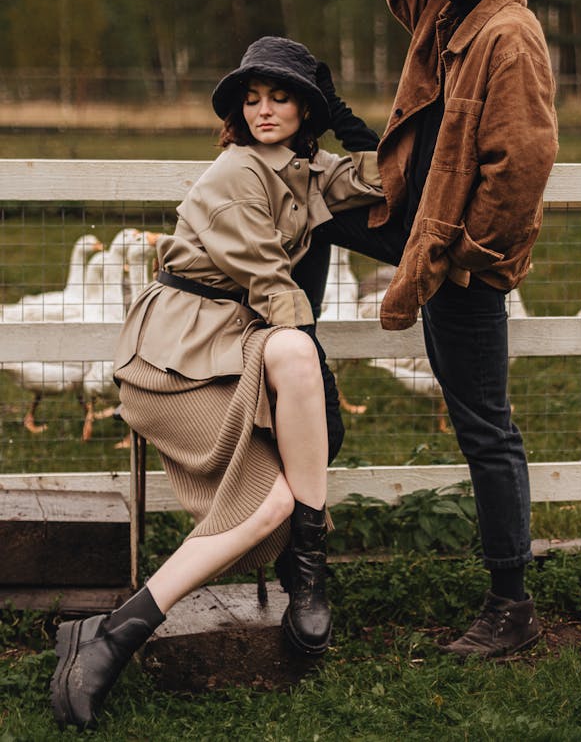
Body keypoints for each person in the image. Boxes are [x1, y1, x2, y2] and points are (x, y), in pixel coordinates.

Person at [49, 36, 383, 730]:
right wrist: (314, 391)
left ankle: (110, 634)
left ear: (304, 107)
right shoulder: (235, 175)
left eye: (281, 95)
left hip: (233, 346)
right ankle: (307, 568)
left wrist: (343, 114)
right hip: (171, 358)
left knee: (275, 503)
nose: (263, 109)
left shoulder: (306, 167)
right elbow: (272, 286)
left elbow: (388, 174)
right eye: (252, 98)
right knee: (295, 356)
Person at [303, 0, 558, 658]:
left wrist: (460, 260)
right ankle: (299, 364)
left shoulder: (508, 37)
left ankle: (511, 605)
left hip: (459, 259)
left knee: (485, 428)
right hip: (419, 226)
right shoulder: (445, 6)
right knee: (310, 202)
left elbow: (521, 167)